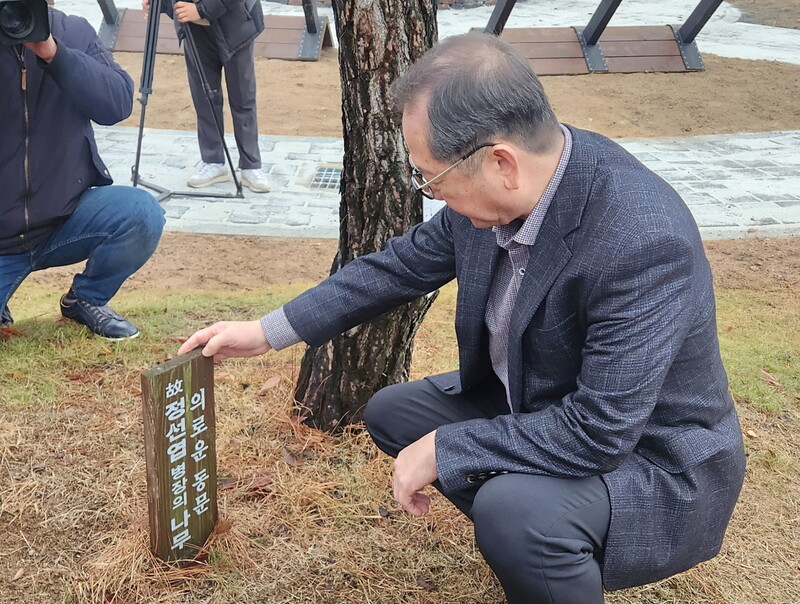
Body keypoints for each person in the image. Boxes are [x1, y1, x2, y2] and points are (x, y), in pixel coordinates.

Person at [178, 33, 746, 603]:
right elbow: (395, 268)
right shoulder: (510, 190)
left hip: (651, 455)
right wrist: (265, 332)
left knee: (510, 510)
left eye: (432, 179)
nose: (431, 196)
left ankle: (541, 540)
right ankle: (534, 539)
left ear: (500, 161)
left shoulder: (640, 239)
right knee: (397, 414)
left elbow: (601, 431)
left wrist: (450, 449)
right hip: (543, 402)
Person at [1, 7, 165, 340]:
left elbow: (117, 104)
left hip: (63, 219)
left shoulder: (72, 30)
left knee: (140, 213)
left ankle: (86, 299)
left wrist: (53, 53)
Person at [143, 0, 271, 193]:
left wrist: (201, 10)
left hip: (235, 23)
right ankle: (213, 162)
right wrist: (159, 5)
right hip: (195, 31)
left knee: (243, 97)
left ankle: (251, 166)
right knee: (204, 98)